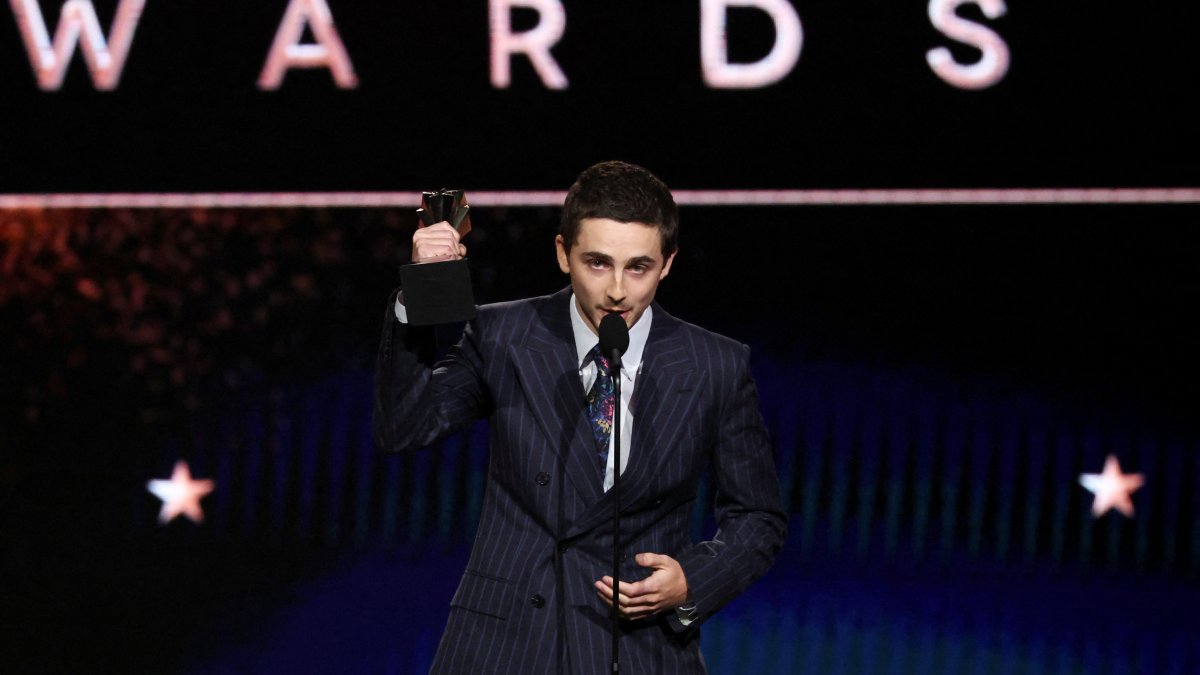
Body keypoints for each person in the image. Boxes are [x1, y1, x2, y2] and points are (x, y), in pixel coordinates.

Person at [374, 160, 786, 674]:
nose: (617, 290)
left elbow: (758, 517)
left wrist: (691, 581)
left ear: (668, 263)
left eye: (638, 267)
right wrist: (422, 292)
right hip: (501, 645)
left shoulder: (714, 366)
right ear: (563, 254)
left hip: (634, 646)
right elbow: (405, 428)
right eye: (597, 263)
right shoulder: (504, 336)